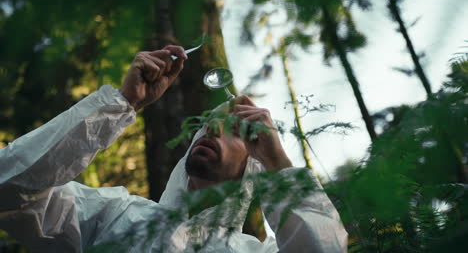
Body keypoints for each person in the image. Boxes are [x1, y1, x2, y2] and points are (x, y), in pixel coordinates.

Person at [0, 46, 348, 252]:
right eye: (207, 127)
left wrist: (278, 163)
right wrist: (121, 104)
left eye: (233, 131)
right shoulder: (114, 215)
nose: (212, 129)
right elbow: (9, 188)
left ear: (250, 166)